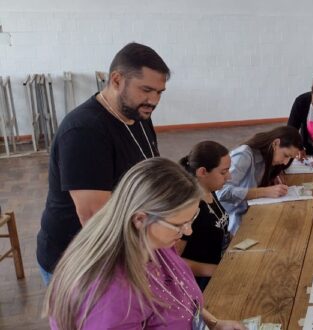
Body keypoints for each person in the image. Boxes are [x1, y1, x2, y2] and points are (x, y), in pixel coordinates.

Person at [45, 158, 245, 329]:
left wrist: (214, 323)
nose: (188, 231)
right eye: (180, 224)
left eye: (192, 219)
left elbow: (183, 297)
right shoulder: (111, 295)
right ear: (140, 219)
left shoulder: (155, 243)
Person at [37, 42, 169, 285]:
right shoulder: (84, 132)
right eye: (146, 90)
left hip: (122, 243)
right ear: (117, 80)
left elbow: (149, 172)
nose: (153, 100)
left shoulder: (138, 114)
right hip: (80, 261)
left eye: (159, 92)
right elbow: (94, 217)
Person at [217, 126, 302, 234]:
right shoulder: (244, 155)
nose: (286, 162)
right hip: (231, 219)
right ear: (275, 143)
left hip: (253, 210)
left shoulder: (270, 157)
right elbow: (221, 192)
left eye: (290, 158)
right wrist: (264, 192)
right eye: (286, 155)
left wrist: (275, 174)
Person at [177, 141, 232, 291]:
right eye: (223, 172)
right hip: (199, 284)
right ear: (202, 172)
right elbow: (173, 260)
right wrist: (214, 270)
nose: (229, 177)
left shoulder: (210, 190)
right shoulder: (189, 207)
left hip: (217, 269)